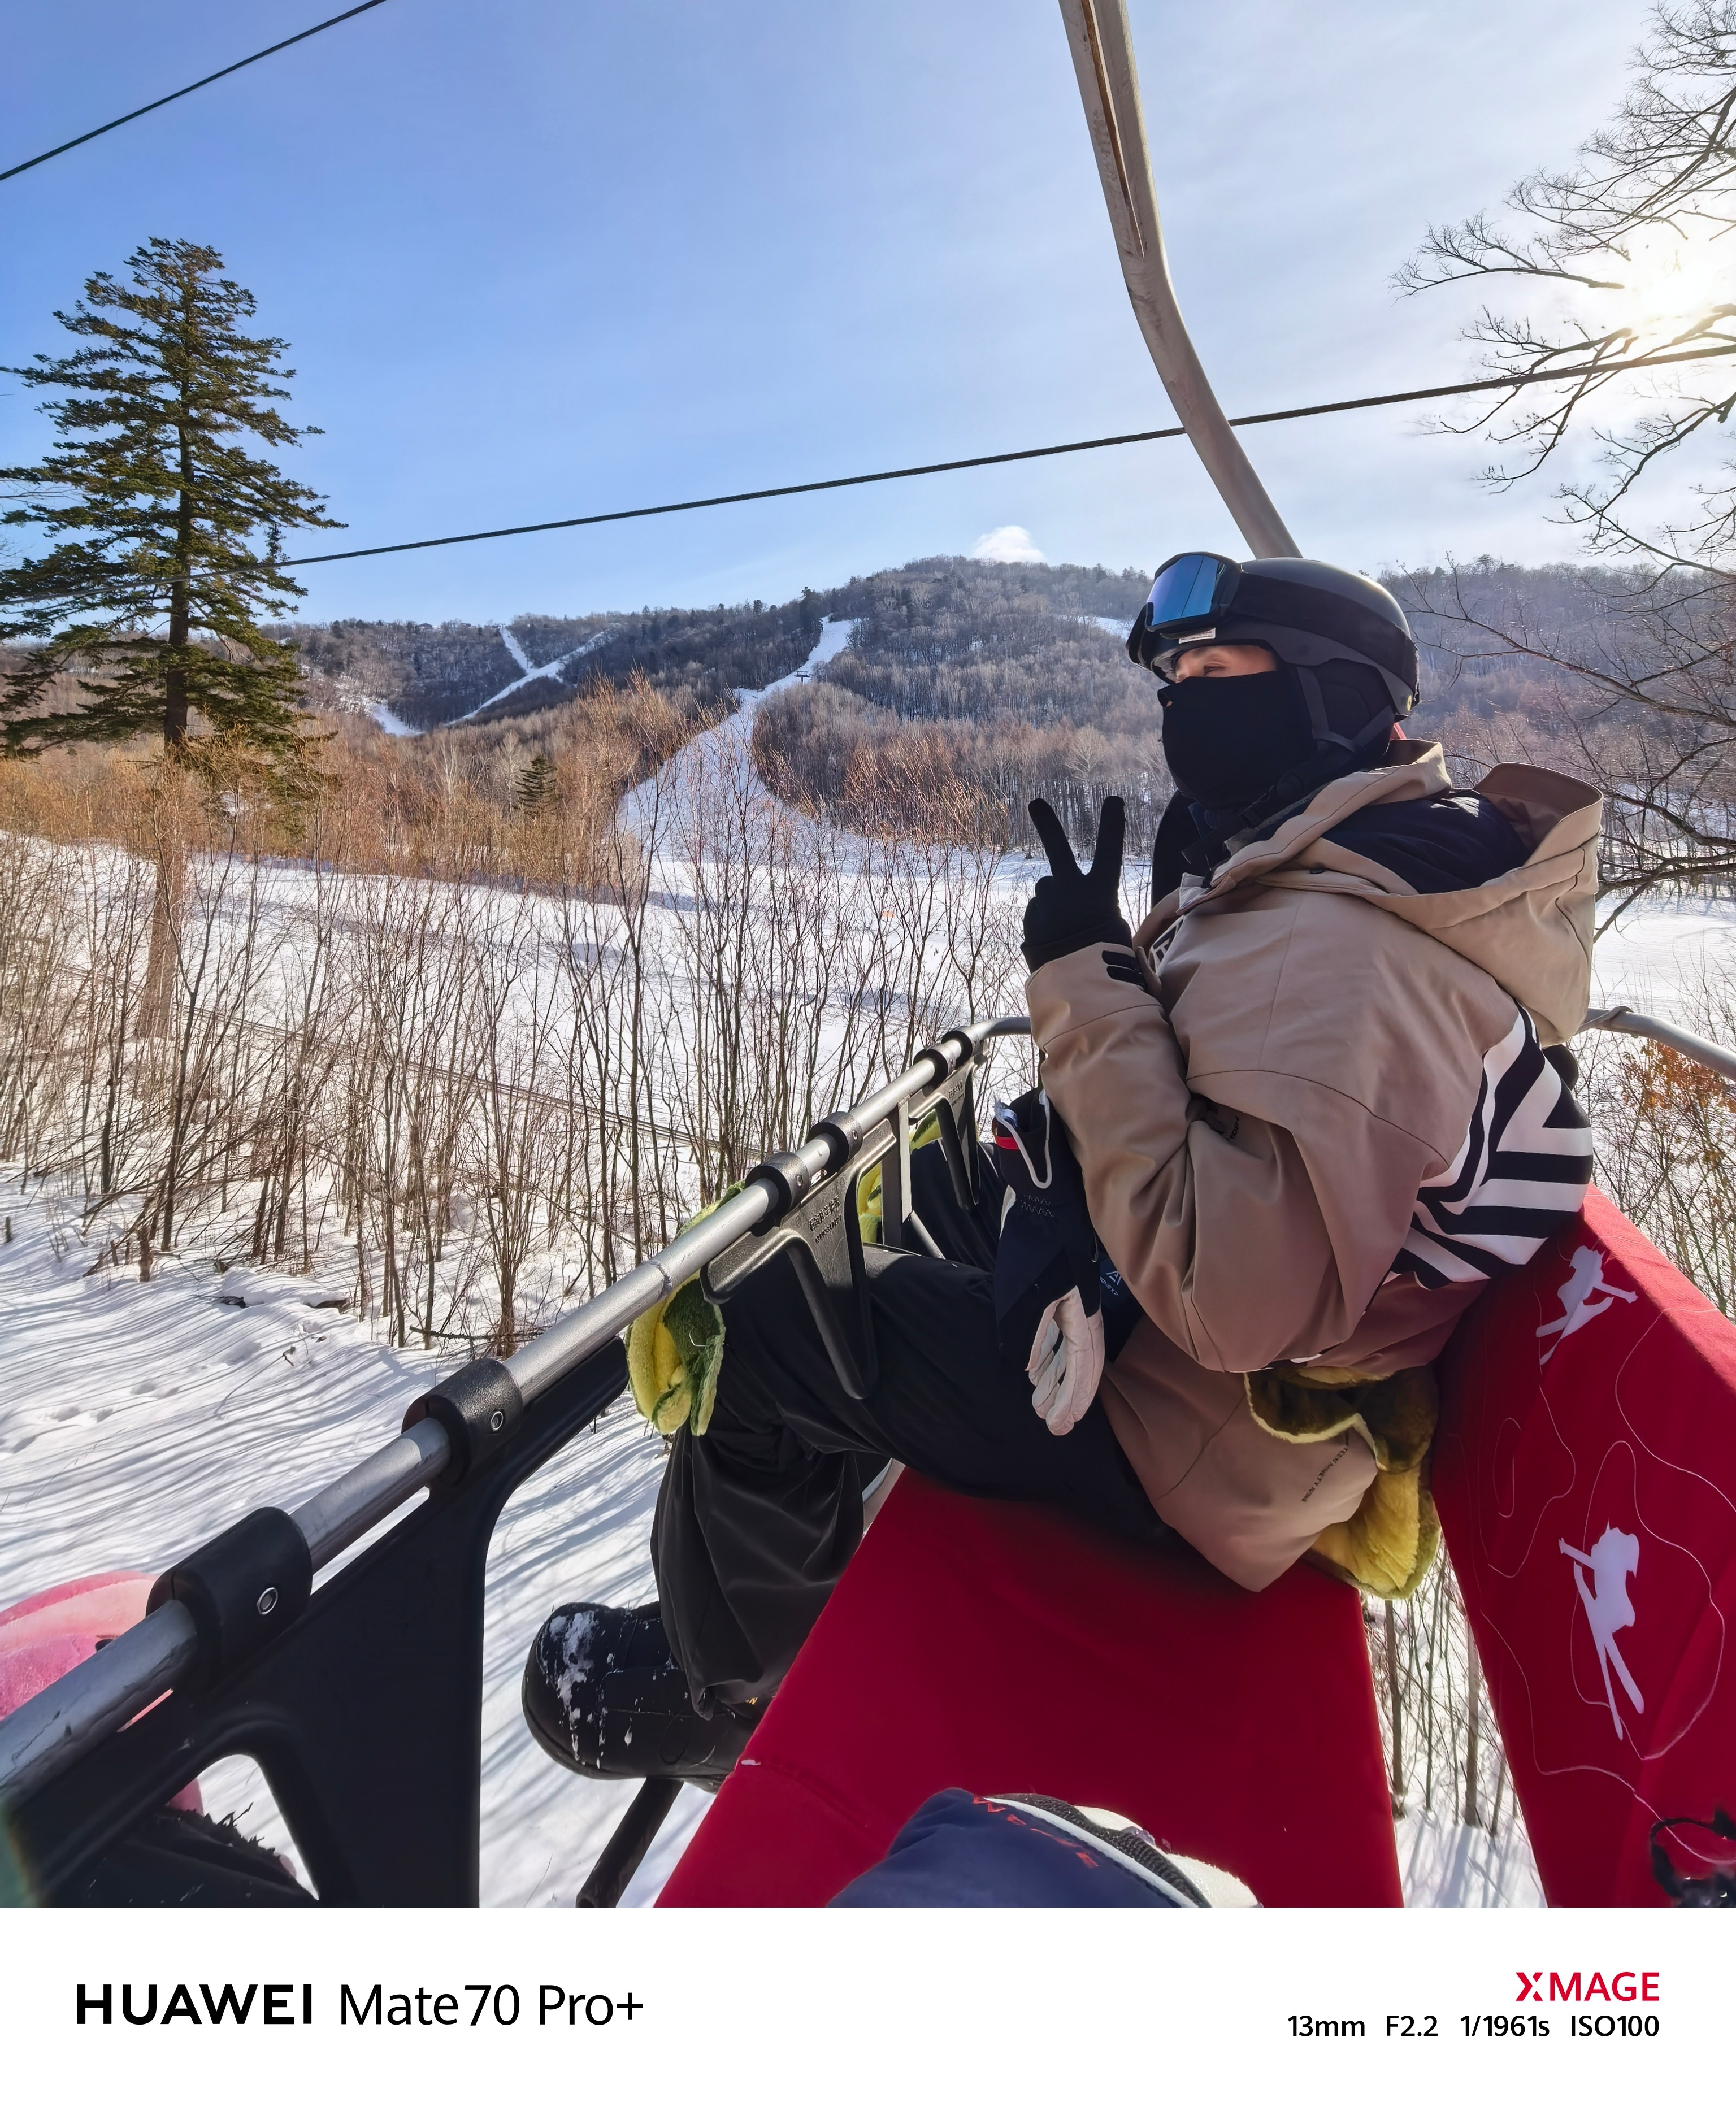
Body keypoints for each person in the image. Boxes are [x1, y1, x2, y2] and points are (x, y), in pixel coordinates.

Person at [521, 554, 1599, 1787]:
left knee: (766, 1327)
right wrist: (1132, 968)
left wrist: (1089, 982)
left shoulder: (1349, 951)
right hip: (1190, 1389)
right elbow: (1222, 1117)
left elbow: (1230, 1300)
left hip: (1197, 1448)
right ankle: (785, 1595)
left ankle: (731, 1695)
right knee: (916, 1225)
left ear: (1322, 694)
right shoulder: (1347, 884)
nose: (1182, 705)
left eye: (1212, 673)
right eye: (1172, 679)